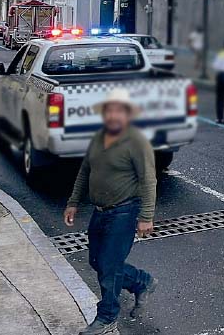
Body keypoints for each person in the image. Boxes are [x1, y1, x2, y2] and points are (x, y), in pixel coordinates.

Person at [64, 89, 158, 335]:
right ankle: (141, 281)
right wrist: (73, 202)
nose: (114, 115)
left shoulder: (137, 141)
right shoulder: (98, 137)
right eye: (110, 110)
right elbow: (85, 170)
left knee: (109, 265)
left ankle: (107, 317)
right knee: (97, 261)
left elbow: (148, 180)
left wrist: (146, 217)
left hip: (124, 212)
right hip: (100, 212)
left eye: (119, 110)